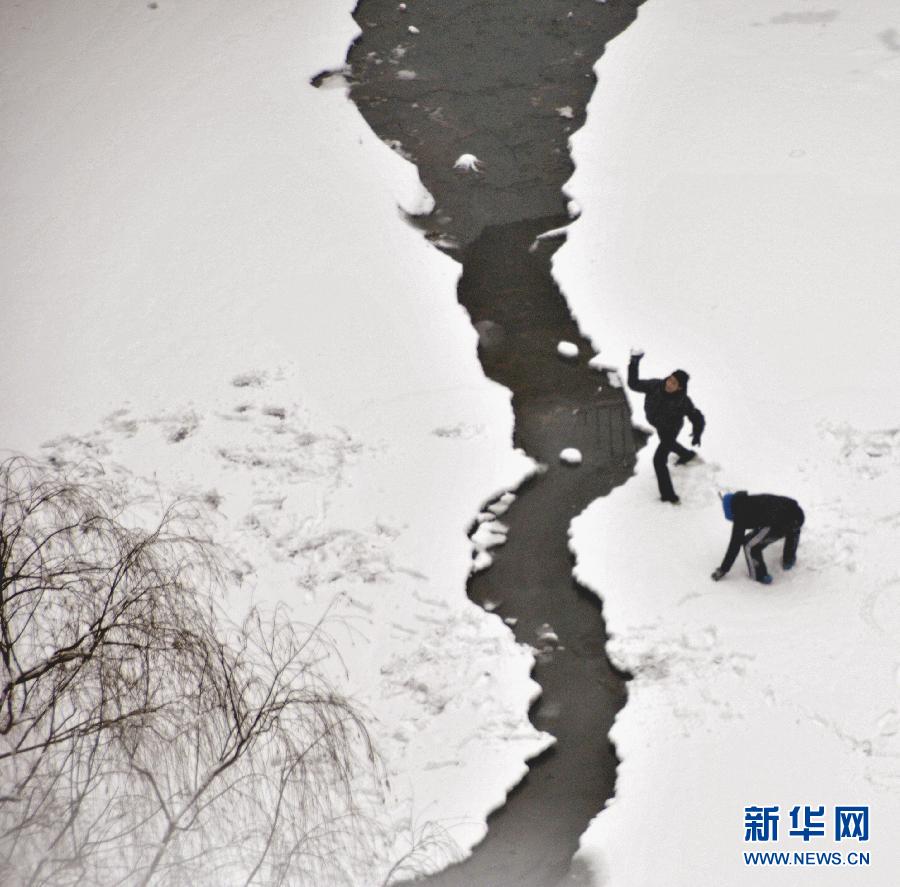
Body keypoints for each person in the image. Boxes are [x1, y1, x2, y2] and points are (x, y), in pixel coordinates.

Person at [627, 350, 705, 504]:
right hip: (659, 425)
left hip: (671, 430)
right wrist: (634, 363)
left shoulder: (682, 401)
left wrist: (697, 434)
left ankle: (669, 496)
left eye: (674, 383)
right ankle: (687, 455)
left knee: (658, 460)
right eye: (670, 379)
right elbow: (633, 384)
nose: (669, 384)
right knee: (667, 444)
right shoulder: (655, 385)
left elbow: (697, 417)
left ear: (680, 388)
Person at [711, 491, 804, 584]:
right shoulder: (750, 500)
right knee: (792, 528)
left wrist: (723, 569)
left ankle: (760, 575)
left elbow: (735, 544)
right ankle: (789, 559)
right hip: (798, 516)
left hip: (780, 523)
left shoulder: (740, 514)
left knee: (749, 545)